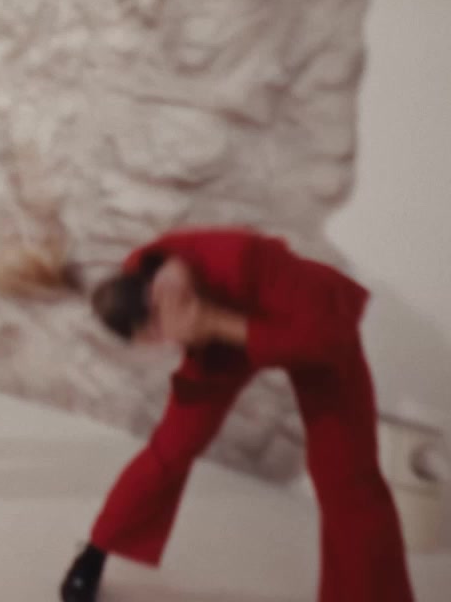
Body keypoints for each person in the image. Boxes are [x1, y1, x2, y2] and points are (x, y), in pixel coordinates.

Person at [60, 227, 413, 602]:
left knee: (346, 474)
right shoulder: (143, 276)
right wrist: (192, 305)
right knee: (169, 450)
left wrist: (214, 321)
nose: (167, 342)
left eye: (159, 332)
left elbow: (325, 339)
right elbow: (158, 259)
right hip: (216, 343)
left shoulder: (247, 264)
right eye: (155, 337)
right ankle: (94, 554)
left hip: (306, 326)